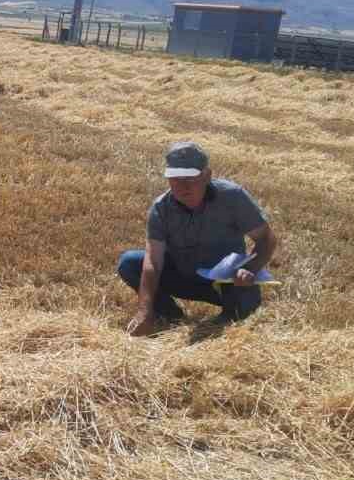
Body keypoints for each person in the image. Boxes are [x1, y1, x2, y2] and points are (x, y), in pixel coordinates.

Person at [119, 142, 279, 336]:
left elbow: (266, 239)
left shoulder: (233, 197)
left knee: (243, 312)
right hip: (183, 276)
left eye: (190, 178)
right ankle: (171, 316)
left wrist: (249, 269)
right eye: (176, 179)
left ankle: (227, 317)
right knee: (129, 263)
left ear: (207, 175)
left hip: (225, 282)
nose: (183, 187)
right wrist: (145, 311)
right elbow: (153, 262)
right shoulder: (160, 209)